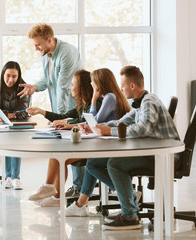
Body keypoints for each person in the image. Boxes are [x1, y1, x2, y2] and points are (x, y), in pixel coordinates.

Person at [62, 66, 179, 231]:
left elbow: (142, 129)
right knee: (93, 163)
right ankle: (129, 200)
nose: (121, 89)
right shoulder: (139, 104)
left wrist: (108, 131)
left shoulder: (149, 101)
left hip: (162, 156)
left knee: (114, 164)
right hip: (151, 152)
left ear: (132, 86)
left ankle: (130, 215)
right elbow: (121, 122)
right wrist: (96, 127)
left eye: (123, 86)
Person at [28, 68, 130, 207]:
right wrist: (45, 113)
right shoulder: (95, 101)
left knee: (61, 158)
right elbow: (89, 121)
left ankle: (54, 194)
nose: (91, 84)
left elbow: (94, 121)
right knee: (58, 157)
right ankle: (53, 193)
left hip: (105, 147)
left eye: (93, 82)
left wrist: (94, 98)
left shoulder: (108, 98)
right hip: (100, 144)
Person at [27, 69, 101, 197]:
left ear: (81, 87)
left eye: (73, 84)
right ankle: (55, 196)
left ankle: (50, 189)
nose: (70, 87)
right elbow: (63, 116)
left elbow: (88, 123)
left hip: (94, 148)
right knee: (58, 156)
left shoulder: (95, 104)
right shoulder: (82, 105)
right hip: (85, 145)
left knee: (60, 156)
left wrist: (68, 124)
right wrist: (41, 111)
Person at [18, 23, 83, 114]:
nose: (36, 49)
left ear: (49, 40)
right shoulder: (45, 54)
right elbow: (48, 78)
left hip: (73, 110)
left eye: (38, 45)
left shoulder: (67, 53)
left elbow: (62, 86)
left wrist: (59, 117)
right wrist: (35, 86)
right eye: (35, 45)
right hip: (60, 111)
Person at [0, 61, 30, 190]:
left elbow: (25, 112)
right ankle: (8, 177)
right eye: (8, 75)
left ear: (18, 77)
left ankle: (15, 178)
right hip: (1, 125)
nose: (10, 79)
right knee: (7, 145)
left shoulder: (24, 88)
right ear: (3, 74)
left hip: (18, 124)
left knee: (15, 144)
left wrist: (10, 116)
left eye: (14, 76)